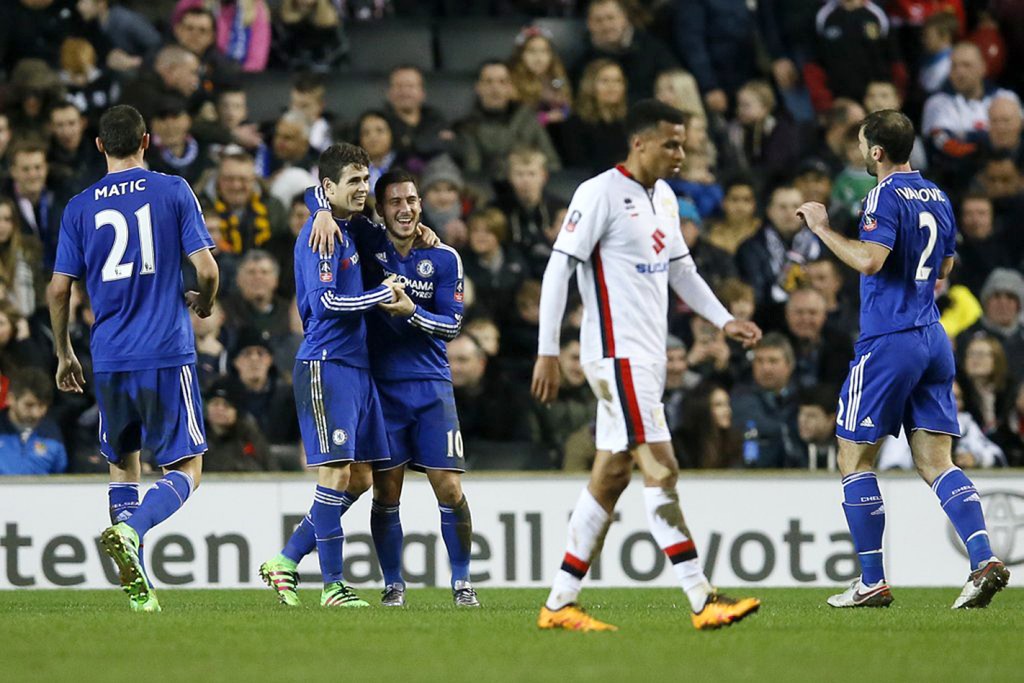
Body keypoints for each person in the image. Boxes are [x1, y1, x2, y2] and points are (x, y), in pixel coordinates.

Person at [531, 99, 762, 632]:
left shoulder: (665, 197)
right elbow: (557, 271)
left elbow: (681, 271)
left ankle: (559, 603)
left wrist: (724, 320)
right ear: (639, 143)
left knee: (612, 473)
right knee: (662, 466)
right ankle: (702, 598)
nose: (681, 153)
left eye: (683, 143)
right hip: (617, 357)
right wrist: (547, 350)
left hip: (647, 359)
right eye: (671, 144)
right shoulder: (599, 193)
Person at [795, 108, 1009, 609]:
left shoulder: (881, 196)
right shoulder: (937, 195)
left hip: (889, 339)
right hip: (932, 336)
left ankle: (871, 579)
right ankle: (982, 560)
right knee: (936, 461)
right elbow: (946, 266)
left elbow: (870, 260)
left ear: (876, 151)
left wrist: (823, 229)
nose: (858, 152)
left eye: (861, 144)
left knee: (853, 455)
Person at [48, 104, 219, 612]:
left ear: (100, 145)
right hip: (165, 349)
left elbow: (58, 289)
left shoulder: (79, 207)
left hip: (109, 355)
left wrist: (64, 352)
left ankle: (138, 592)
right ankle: (133, 530)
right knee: (188, 466)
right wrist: (205, 303)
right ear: (146, 141)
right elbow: (207, 270)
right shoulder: (173, 190)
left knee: (124, 467)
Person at [257, 143, 396, 609]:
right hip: (326, 363)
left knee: (359, 479)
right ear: (329, 187)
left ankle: (285, 560)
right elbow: (325, 303)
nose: (363, 188)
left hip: (356, 366)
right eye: (354, 181)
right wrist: (382, 295)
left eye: (366, 179)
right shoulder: (324, 234)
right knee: (335, 473)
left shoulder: (349, 227)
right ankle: (333, 586)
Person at [457, 60, 562, 181]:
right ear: (478, 87)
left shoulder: (528, 118)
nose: (495, 88)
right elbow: (473, 171)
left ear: (510, 87)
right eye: (488, 82)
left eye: (502, 82)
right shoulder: (468, 126)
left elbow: (552, 163)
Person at [558, 59, 629, 173]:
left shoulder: (628, 121)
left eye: (618, 81)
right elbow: (579, 164)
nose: (612, 87)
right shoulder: (575, 123)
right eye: (605, 81)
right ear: (590, 85)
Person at [0, 368, 68, 475]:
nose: (36, 413)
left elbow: (60, 475)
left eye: (42, 405)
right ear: (10, 399)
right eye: (29, 405)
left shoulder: (52, 433)